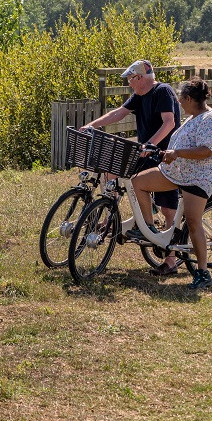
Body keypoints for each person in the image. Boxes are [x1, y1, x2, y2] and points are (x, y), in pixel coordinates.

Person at [81, 59, 181, 274]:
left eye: (130, 79)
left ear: (140, 78)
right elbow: (118, 113)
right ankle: (111, 216)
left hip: (166, 155)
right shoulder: (140, 95)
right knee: (112, 170)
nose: (129, 84)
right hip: (145, 152)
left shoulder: (163, 91)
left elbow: (169, 123)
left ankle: (170, 261)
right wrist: (91, 125)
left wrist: (151, 144)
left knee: (168, 209)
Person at [130, 76, 212, 289]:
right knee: (138, 182)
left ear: (190, 99)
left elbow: (207, 150)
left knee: (193, 222)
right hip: (175, 173)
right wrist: (161, 152)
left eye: (181, 99)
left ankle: (203, 273)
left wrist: (177, 152)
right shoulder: (193, 117)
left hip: (198, 177)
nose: (179, 103)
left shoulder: (211, 120)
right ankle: (148, 229)